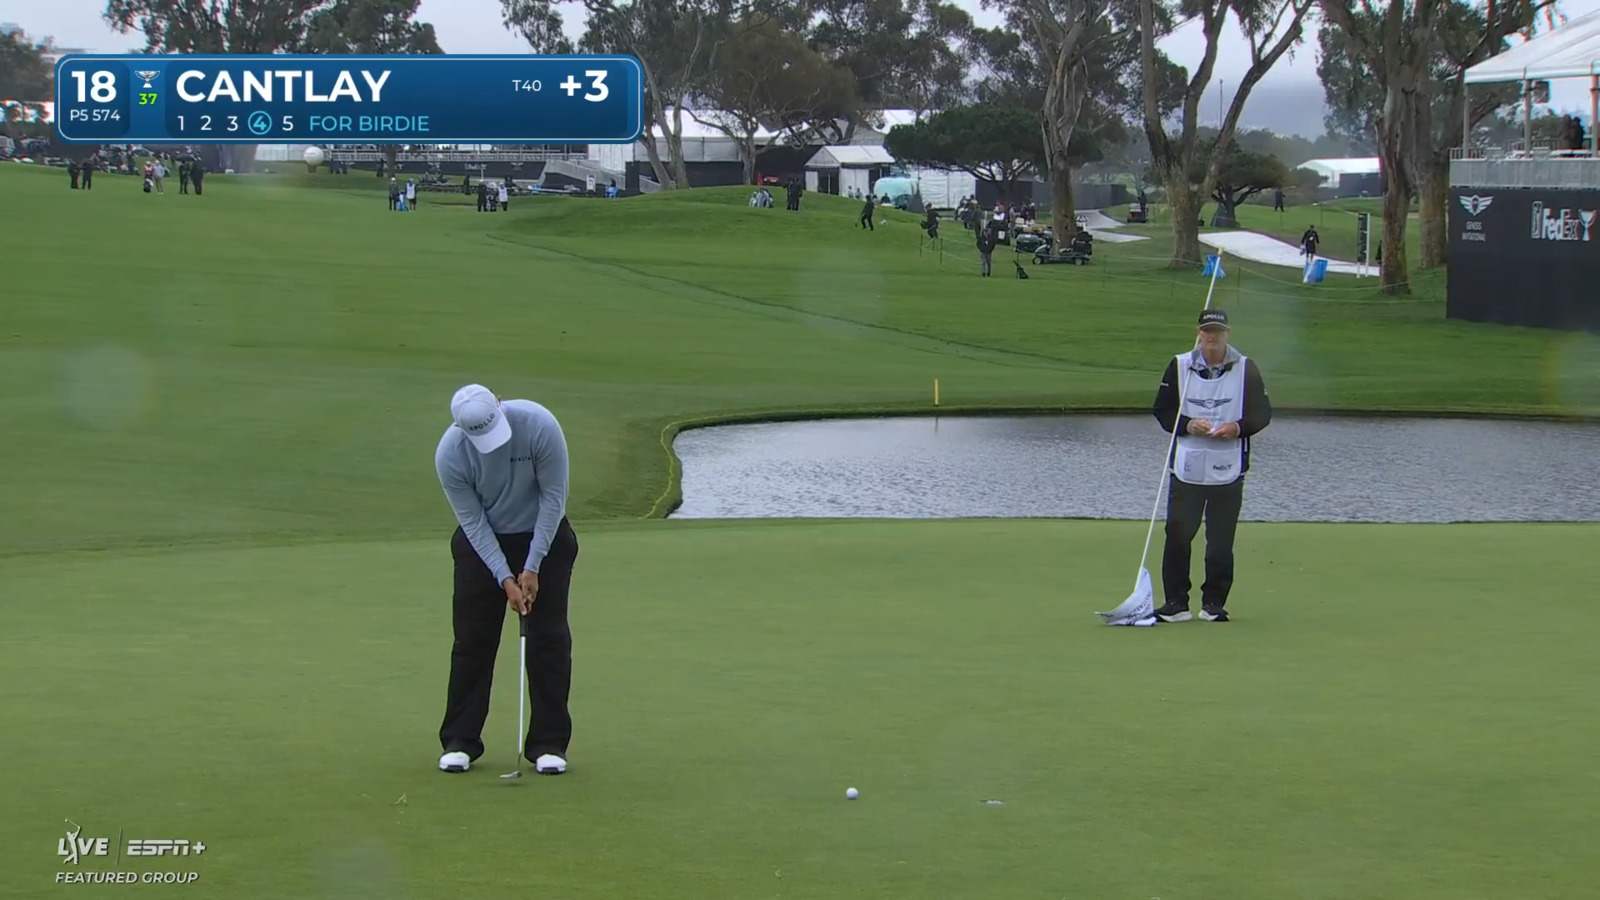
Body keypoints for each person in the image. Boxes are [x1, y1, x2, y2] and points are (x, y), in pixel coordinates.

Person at [434, 384, 579, 776]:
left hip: (544, 534)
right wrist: (504, 577)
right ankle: (460, 741)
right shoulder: (450, 454)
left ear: (500, 403)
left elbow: (554, 498)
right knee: (472, 640)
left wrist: (532, 566)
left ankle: (549, 744)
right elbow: (473, 523)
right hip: (484, 543)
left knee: (548, 638)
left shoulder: (539, 425)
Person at [1151, 309, 1273, 623]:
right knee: (1178, 535)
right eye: (1207, 331)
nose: (1212, 337)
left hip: (1228, 467)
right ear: (1199, 333)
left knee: (1220, 540)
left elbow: (1262, 414)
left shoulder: (1246, 368)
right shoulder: (1179, 366)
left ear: (1227, 333)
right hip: (1187, 467)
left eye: (1218, 331)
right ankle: (1176, 603)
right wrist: (1188, 425)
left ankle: (1214, 604)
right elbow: (1162, 411)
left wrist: (1238, 428)